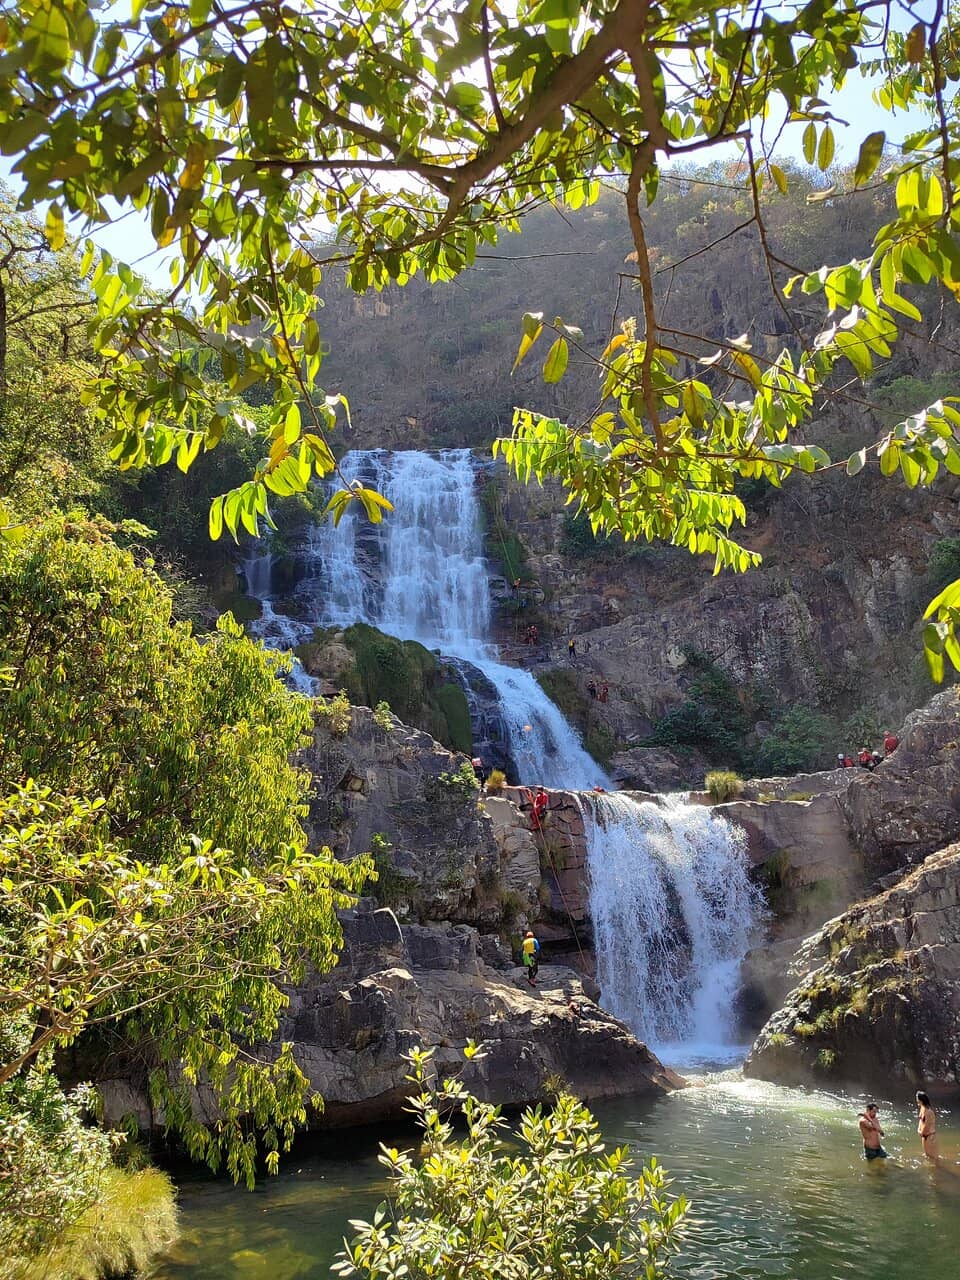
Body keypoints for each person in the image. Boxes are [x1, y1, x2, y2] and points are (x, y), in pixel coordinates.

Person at [917, 1091, 938, 1160]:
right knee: (927, 1156)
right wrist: (919, 1129)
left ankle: (936, 1170)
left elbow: (927, 1125)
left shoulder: (929, 1112)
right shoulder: (922, 1108)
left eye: (917, 1099)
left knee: (932, 1157)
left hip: (930, 1136)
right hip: (924, 1135)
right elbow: (921, 1119)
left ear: (921, 1100)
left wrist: (921, 1132)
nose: (917, 1100)